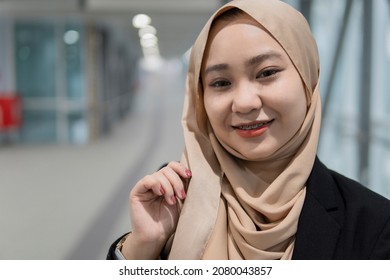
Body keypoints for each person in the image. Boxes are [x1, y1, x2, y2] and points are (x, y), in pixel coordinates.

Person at [107, 0, 390, 260]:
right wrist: (142, 246)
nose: (244, 103)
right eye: (220, 83)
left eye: (266, 73)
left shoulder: (373, 224)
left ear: (308, 78)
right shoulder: (174, 198)